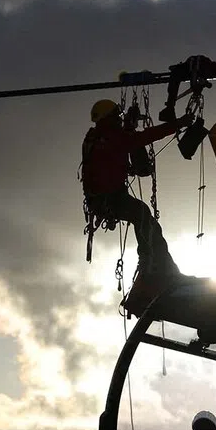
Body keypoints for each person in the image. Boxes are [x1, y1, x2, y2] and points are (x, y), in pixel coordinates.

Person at [80, 98, 191, 290]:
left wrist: (125, 166)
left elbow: (105, 163)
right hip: (110, 199)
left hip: (99, 200)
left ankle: (159, 266)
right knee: (142, 216)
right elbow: (147, 136)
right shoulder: (115, 137)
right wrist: (179, 123)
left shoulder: (93, 138)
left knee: (145, 219)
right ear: (111, 117)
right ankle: (152, 264)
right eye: (117, 116)